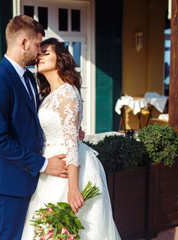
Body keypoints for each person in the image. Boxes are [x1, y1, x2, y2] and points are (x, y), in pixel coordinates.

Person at [0, 16, 70, 240]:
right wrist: (44, 164)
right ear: (23, 43)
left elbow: (33, 122)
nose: (40, 52)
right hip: (10, 180)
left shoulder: (28, 78)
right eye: (38, 45)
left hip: (30, 178)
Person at [21, 38, 121, 239]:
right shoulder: (51, 94)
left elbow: (72, 145)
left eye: (46, 53)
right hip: (50, 167)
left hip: (69, 171)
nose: (39, 56)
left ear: (61, 59)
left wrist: (73, 188)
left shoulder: (67, 92)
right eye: (39, 53)